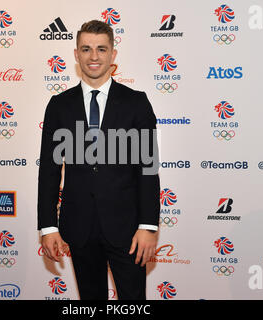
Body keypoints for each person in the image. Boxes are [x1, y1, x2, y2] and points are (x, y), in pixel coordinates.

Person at [38, 20, 160, 300]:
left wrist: (148, 226)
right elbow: (49, 169)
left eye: (101, 49)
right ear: (76, 54)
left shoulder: (136, 103)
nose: (94, 56)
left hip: (129, 230)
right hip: (79, 226)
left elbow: (148, 169)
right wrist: (48, 226)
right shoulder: (59, 104)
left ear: (113, 55)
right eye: (86, 49)